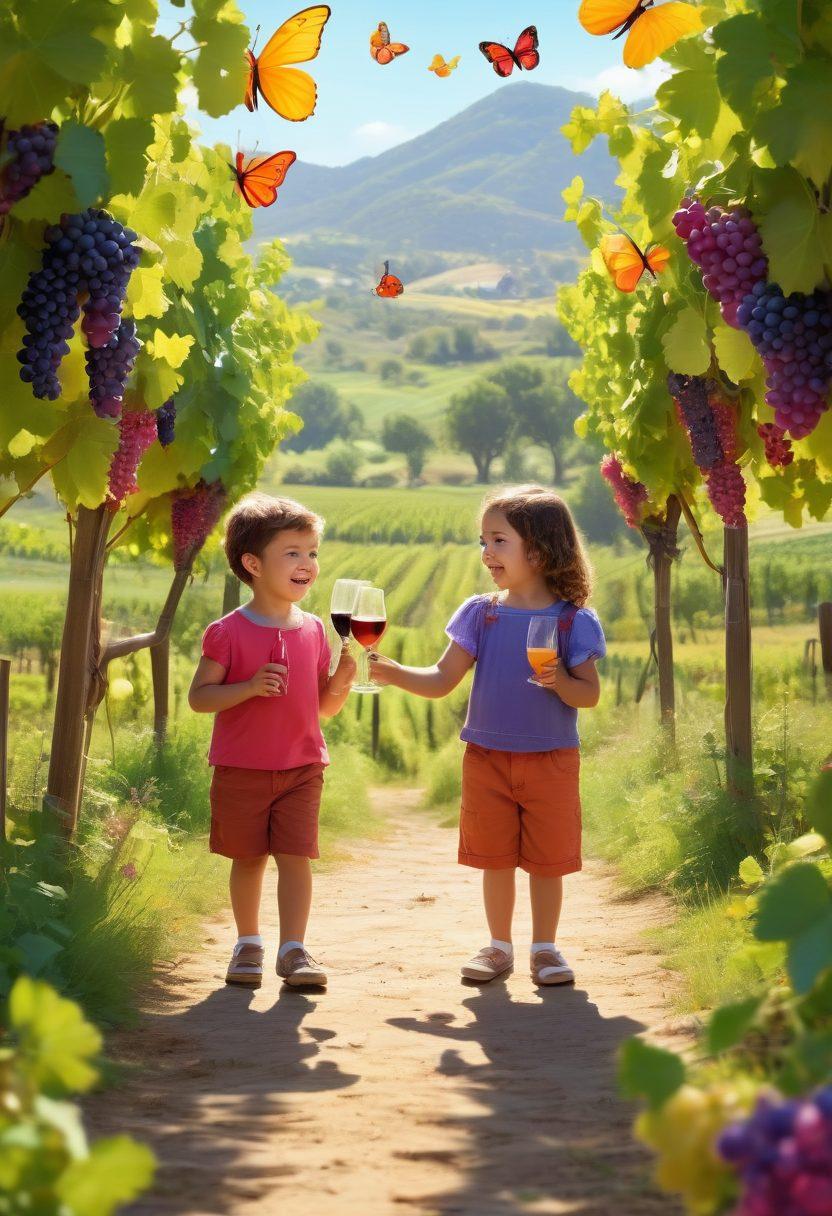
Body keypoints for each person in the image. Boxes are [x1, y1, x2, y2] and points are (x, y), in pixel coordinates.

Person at [369, 485, 606, 987]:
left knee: (547, 861)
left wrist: (559, 681)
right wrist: (392, 673)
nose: (486, 553)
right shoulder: (483, 613)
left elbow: (587, 695)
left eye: (499, 541)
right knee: (495, 858)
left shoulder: (571, 620)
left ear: (539, 549)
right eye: (483, 541)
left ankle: (546, 949)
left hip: (551, 758)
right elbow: (441, 680)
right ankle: (500, 947)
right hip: (487, 757)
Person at [188, 493, 356, 990]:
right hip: (242, 767)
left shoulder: (314, 631)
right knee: (248, 858)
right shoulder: (228, 632)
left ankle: (293, 950)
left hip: (303, 765)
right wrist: (249, 686)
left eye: (313, 553)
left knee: (296, 857)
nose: (308, 564)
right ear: (252, 563)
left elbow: (322, 708)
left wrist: (344, 679)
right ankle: (247, 944)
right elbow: (200, 698)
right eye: (294, 553)